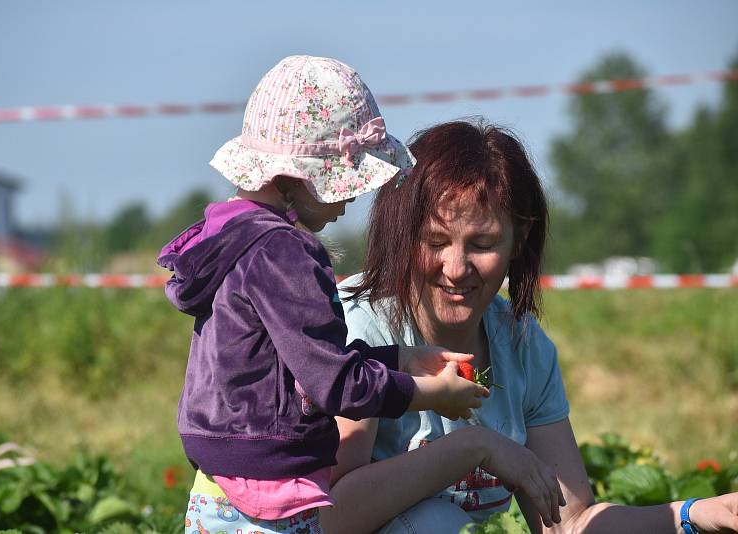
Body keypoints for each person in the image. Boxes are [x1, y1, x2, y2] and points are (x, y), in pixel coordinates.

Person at [321, 119, 738, 533]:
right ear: (403, 236)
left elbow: (568, 522)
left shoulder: (520, 343)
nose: (456, 268)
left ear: (518, 240)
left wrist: (692, 514)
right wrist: (472, 447)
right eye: (435, 241)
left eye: (482, 245)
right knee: (436, 523)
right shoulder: (358, 328)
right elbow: (327, 516)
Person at [157, 57, 509, 534]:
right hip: (270, 498)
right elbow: (333, 385)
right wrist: (429, 394)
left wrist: (401, 358)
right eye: (346, 186)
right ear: (300, 178)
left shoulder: (228, 238)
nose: (349, 202)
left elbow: (295, 369)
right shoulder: (286, 254)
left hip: (218, 486)